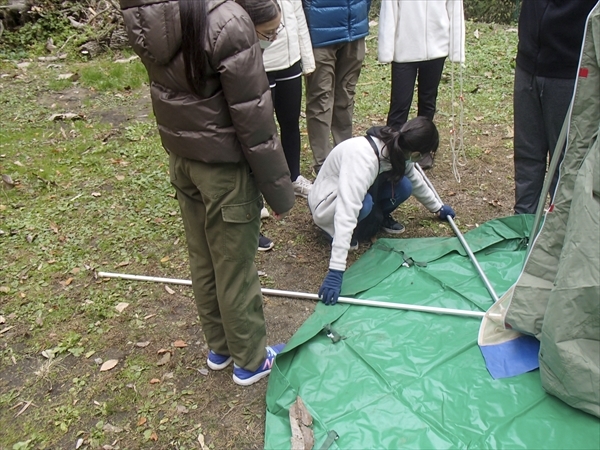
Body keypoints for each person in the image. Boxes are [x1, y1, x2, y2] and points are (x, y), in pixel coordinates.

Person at [119, 0, 295, 386]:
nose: (270, 40)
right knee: (234, 266)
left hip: (183, 158)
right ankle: (249, 360)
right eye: (268, 34)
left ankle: (220, 347)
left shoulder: (152, 13)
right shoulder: (228, 22)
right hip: (223, 167)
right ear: (253, 21)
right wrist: (279, 193)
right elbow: (255, 120)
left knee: (204, 258)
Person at [308, 117, 456, 305]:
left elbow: (416, 180)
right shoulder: (363, 159)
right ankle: (333, 232)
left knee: (404, 186)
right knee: (364, 205)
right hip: (327, 204)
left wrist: (438, 208)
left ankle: (375, 218)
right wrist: (336, 270)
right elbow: (347, 211)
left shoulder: (400, 149)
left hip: (360, 193)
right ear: (417, 152)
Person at [513, 0, 597, 214]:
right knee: (527, 153)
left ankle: (556, 227)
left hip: (568, 70)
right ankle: (523, 222)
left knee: (564, 160)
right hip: (528, 63)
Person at [378, 0, 465, 170]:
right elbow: (389, 10)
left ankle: (423, 149)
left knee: (428, 101)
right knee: (400, 103)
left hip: (436, 49)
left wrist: (456, 50)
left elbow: (455, 10)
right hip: (404, 50)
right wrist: (387, 50)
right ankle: (391, 149)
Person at [302, 0, 371, 174]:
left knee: (346, 95)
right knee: (321, 98)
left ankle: (345, 155)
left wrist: (361, 16)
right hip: (319, 32)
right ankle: (323, 164)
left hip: (354, 28)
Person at [262, 0, 316, 198]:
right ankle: (260, 187)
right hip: (261, 64)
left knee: (290, 122)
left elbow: (298, 17)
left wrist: (307, 60)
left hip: (290, 61)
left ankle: (293, 177)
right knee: (262, 130)